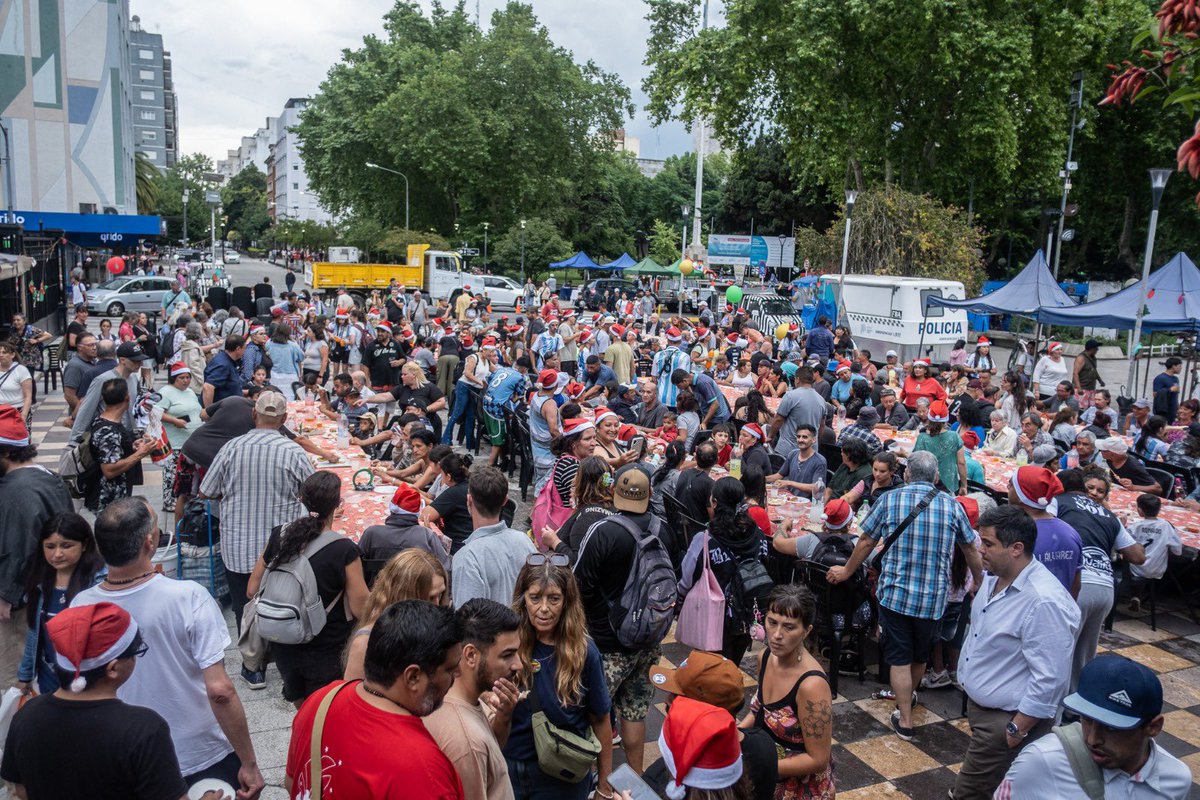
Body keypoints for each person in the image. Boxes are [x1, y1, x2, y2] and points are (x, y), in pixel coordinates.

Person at [74, 498, 264, 796]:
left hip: (120, 754)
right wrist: (249, 762)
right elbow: (220, 691)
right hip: (198, 752)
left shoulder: (81, 606)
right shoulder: (188, 597)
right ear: (150, 543)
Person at [827, 451, 983, 741]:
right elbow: (971, 548)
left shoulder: (889, 499)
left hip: (896, 593)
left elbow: (865, 541)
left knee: (899, 656)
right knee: (919, 654)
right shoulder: (951, 505)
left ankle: (906, 719)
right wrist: (980, 582)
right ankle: (907, 700)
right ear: (936, 476)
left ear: (907, 473)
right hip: (933, 598)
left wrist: (848, 571)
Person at [952, 505, 1082, 800]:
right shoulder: (993, 577)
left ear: (1016, 548)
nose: (979, 549)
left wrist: (1016, 728)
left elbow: (1051, 678)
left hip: (1005, 720)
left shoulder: (1043, 601)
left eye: (988, 543)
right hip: (985, 712)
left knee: (967, 793)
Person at [1, 602, 194, 800]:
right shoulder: (144, 729)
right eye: (136, 652)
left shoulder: (27, 715)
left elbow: (22, 791)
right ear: (113, 668)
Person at [285, 600, 466, 799]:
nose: (457, 673)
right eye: (450, 668)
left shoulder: (320, 701)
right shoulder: (423, 769)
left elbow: (292, 783)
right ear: (413, 677)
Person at [198, 390, 315, 672]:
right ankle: (284, 662)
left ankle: (253, 666)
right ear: (284, 418)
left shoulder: (232, 448)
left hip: (238, 544)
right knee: (282, 601)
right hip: (280, 547)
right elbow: (313, 493)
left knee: (244, 604)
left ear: (254, 414)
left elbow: (206, 491)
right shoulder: (294, 451)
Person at [246, 472, 368, 705]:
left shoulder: (279, 535)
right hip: (327, 649)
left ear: (301, 500)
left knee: (302, 708)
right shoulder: (344, 549)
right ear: (338, 505)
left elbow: (252, 589)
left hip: (283, 642)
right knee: (326, 711)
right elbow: (361, 609)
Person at [996, 655, 1192, 799]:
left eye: (1112, 728)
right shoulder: (1041, 760)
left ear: (1154, 727)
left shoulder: (1176, 780)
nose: (1092, 739)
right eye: (1087, 720)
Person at [573, 464, 664, 773]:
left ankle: (601, 782)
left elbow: (578, 584)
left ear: (613, 493)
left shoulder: (604, 531)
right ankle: (635, 779)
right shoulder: (663, 529)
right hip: (648, 638)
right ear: (650, 495)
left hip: (606, 643)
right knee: (636, 712)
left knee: (596, 714)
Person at [505, 558, 614, 800]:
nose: (544, 608)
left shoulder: (584, 652)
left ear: (567, 602)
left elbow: (601, 719)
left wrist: (604, 787)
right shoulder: (508, 644)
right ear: (523, 599)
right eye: (535, 598)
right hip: (508, 767)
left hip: (560, 775)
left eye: (554, 599)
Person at [741, 584, 834, 799]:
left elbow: (818, 759)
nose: (777, 635)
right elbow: (757, 711)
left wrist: (760, 766)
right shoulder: (764, 658)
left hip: (798, 788)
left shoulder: (812, 686)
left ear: (807, 631)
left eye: (789, 627)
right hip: (763, 779)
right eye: (772, 623)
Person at [423, 599, 522, 800]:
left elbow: (490, 757)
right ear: (470, 655)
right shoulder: (467, 743)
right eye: (507, 655)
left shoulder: (466, 699)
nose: (518, 665)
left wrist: (503, 717)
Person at [645, 651, 778, 800]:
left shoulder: (661, 778)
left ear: (703, 713)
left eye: (677, 697)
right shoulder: (764, 745)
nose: (667, 700)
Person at [678, 477, 770, 665]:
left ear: (715, 503)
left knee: (710, 671)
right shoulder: (758, 534)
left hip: (713, 619)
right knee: (732, 665)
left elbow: (686, 579)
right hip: (747, 614)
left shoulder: (704, 540)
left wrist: (679, 601)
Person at [17, 513, 104, 695]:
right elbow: (34, 633)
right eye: (50, 546)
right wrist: (25, 675)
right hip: (49, 679)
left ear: (85, 545)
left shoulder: (98, 583)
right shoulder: (40, 583)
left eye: (66, 546)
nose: (57, 554)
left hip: (89, 680)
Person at [0, 406, 74, 622]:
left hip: (21, 604)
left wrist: (5, 596)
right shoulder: (46, 476)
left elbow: (18, 548)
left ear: (5, 452)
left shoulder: (16, 491)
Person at [452, 466, 537, 606]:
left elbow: (468, 619)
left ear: (469, 501)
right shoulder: (524, 540)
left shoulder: (467, 558)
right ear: (505, 501)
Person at [1007, 465, 1083, 597]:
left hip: (1022, 611)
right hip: (1058, 611)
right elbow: (1076, 585)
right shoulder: (1071, 533)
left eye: (1011, 485)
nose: (1008, 488)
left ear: (1022, 495)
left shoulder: (1017, 533)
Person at [86, 379, 156, 513]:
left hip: (117, 499)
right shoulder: (107, 430)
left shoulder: (106, 421)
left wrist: (132, 446)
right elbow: (109, 470)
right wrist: (141, 453)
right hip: (108, 503)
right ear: (127, 398)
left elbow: (113, 450)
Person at [358, 483, 452, 569]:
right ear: (417, 513)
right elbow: (445, 567)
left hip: (377, 586)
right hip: (417, 587)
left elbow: (356, 564)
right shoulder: (426, 535)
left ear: (391, 509)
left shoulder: (371, 534)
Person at [542, 456, 616, 563]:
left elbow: (577, 561)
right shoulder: (611, 508)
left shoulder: (589, 516)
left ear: (581, 482)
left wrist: (554, 541)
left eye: (577, 475)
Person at [421, 452, 476, 553]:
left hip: (457, 546)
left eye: (442, 474)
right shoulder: (472, 485)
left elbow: (425, 515)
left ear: (449, 476)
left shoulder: (454, 492)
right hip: (474, 540)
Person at [1128, 493, 1183, 583]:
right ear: (1159, 509)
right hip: (1157, 571)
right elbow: (1178, 551)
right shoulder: (1166, 525)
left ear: (1139, 511)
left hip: (1136, 570)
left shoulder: (1134, 527)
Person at [768, 424, 827, 498]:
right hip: (789, 498)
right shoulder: (793, 454)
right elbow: (779, 475)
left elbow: (816, 488)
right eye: (798, 437)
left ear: (814, 440)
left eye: (805, 437)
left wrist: (790, 483)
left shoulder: (820, 461)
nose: (800, 440)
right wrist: (761, 479)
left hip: (807, 504)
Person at [1097, 437, 1162, 495]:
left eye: (1102, 450)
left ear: (1112, 454)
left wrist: (1133, 487)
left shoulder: (1133, 466)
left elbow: (1158, 489)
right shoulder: (1110, 460)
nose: (1100, 451)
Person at [202, 334, 247, 405]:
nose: (245, 351)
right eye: (244, 348)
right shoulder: (223, 365)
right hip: (221, 411)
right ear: (238, 349)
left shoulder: (229, 360)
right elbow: (208, 387)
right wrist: (209, 412)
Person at [826, 437, 872, 502]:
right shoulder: (845, 465)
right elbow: (829, 489)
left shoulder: (864, 473)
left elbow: (851, 501)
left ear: (848, 455)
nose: (841, 454)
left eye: (842, 452)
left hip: (842, 505)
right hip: (830, 503)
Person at [0, 341, 33, 422]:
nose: (1, 355)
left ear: (12, 355)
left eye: (4, 352)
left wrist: (24, 415)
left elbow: (28, 396)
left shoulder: (21, 370)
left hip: (16, 410)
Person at [1071, 338, 1105, 408]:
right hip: (1082, 389)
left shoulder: (1093, 358)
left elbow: (1094, 370)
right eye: (1096, 348)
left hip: (1091, 389)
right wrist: (1079, 388)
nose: (1097, 350)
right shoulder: (1081, 358)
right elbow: (1075, 373)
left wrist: (1100, 380)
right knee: (1080, 409)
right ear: (1091, 349)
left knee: (1090, 409)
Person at [1153, 356, 1184, 422]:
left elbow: (1175, 396)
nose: (1181, 368)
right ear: (1173, 366)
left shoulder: (1176, 379)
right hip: (1163, 410)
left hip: (1172, 410)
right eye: (1179, 366)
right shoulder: (1160, 378)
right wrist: (1170, 390)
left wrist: (1178, 409)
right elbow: (1155, 394)